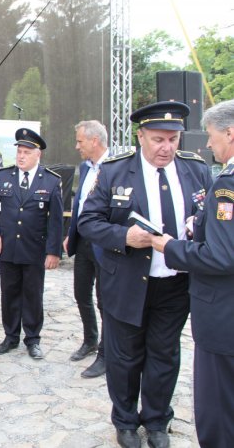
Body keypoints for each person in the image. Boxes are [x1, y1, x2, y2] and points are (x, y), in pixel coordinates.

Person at [77, 101, 212, 448]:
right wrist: (124, 236)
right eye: (158, 139)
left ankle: (156, 420)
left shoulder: (196, 170)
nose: (167, 147)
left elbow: (207, 218)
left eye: (173, 139)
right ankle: (124, 420)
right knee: (124, 358)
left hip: (175, 284)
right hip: (125, 283)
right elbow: (88, 222)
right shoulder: (113, 171)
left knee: (164, 355)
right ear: (140, 137)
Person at [150, 99, 234, 447]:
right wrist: (200, 226)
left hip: (222, 318)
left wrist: (169, 246)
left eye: (213, 136)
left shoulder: (226, 185)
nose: (208, 144)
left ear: (230, 133)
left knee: (218, 410)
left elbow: (222, 256)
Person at [0, 128, 63, 360]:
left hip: (34, 249)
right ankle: (10, 336)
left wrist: (53, 252)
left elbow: (56, 221)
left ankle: (32, 339)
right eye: (19, 151)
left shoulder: (50, 180)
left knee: (32, 294)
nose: (20, 156)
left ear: (38, 154)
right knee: (9, 293)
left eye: (26, 152)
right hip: (7, 247)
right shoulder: (3, 176)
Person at [63, 120, 109, 378]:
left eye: (80, 141)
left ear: (94, 141)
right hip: (82, 241)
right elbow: (79, 202)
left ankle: (106, 351)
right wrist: (72, 234)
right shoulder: (85, 167)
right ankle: (90, 339)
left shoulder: (116, 166)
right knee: (82, 294)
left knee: (105, 300)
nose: (76, 146)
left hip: (104, 243)